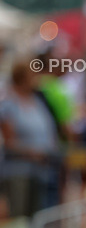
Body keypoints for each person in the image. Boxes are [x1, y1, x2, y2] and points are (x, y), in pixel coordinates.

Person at [0, 60, 64, 216]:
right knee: (21, 220)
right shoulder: (9, 105)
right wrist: (33, 153)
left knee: (40, 219)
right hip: (19, 173)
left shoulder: (37, 101)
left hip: (42, 172)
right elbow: (9, 143)